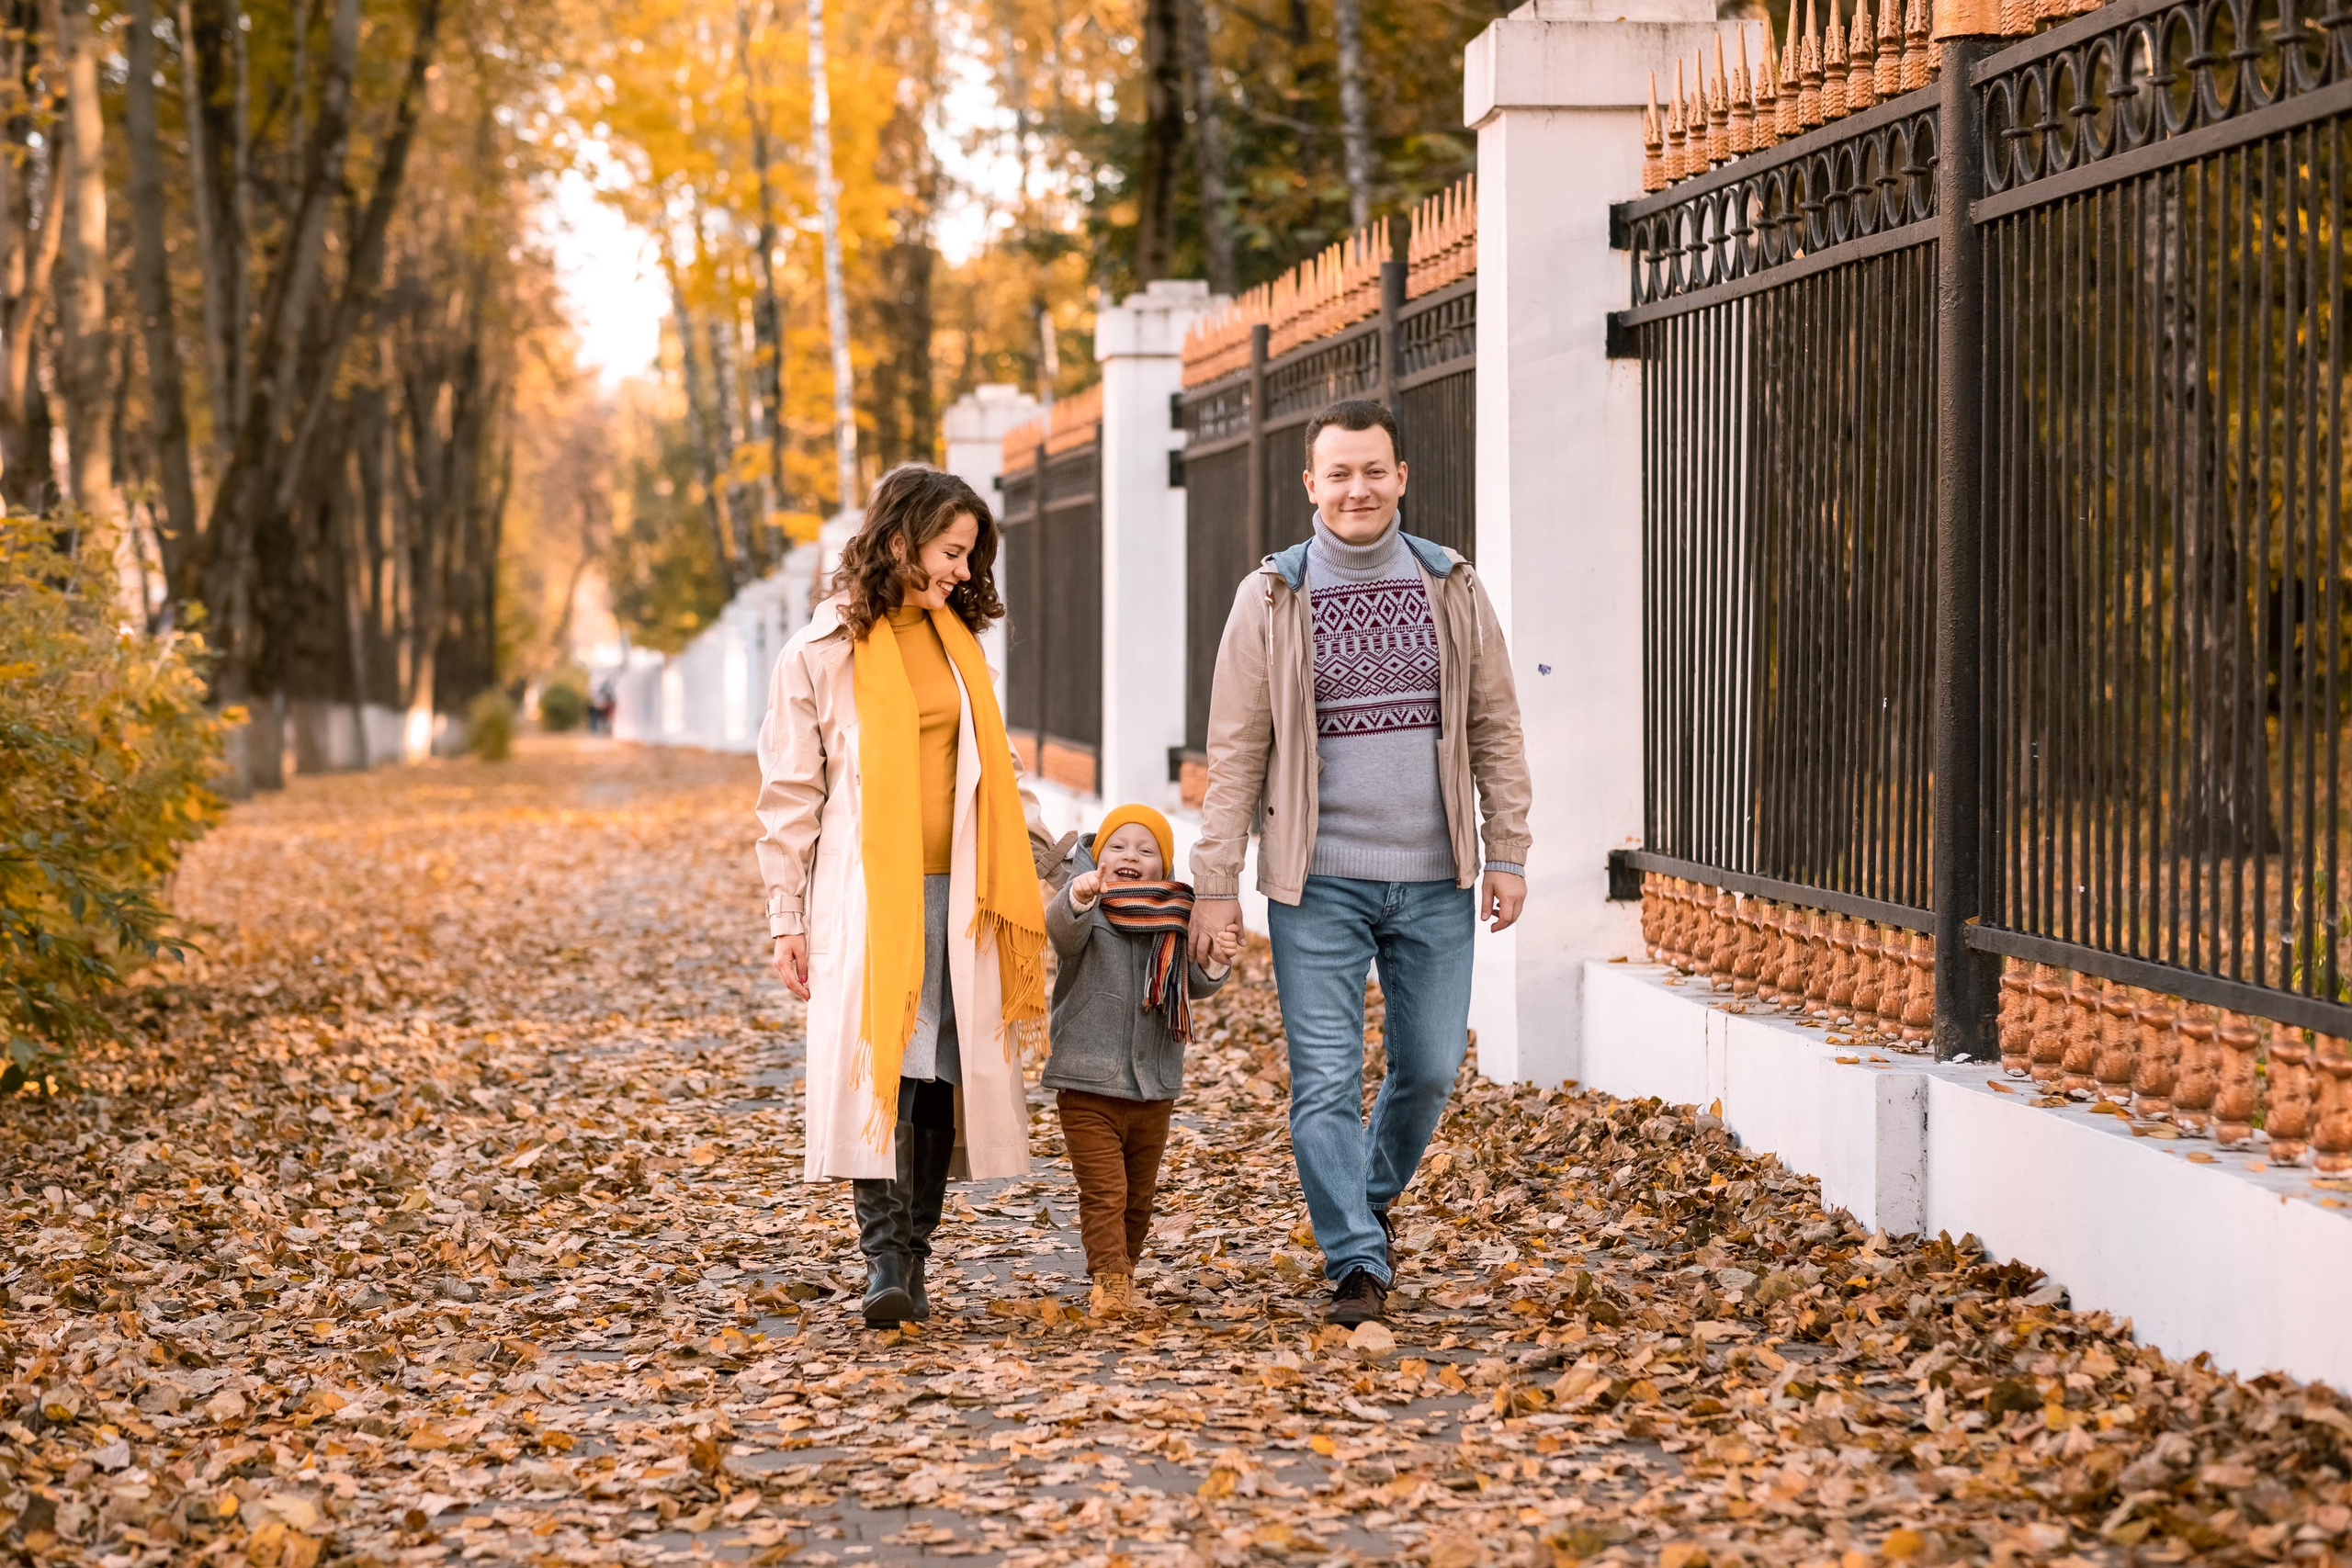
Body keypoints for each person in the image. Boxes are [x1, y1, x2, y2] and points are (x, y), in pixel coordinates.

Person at [1188, 399, 1534, 1327]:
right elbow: (1236, 755)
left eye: (1373, 471)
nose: (1356, 489)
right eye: (1337, 473)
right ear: (1311, 485)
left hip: (1435, 877)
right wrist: (1214, 885)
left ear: (1401, 478)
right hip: (1320, 882)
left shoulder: (1450, 584)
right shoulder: (1272, 596)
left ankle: (1364, 1200)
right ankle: (1353, 1260)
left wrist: (1508, 848)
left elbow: (1495, 723)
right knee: (1327, 1080)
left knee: (1425, 1070)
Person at [753, 464, 1057, 1329]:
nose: (964, 571)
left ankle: (915, 1250)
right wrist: (787, 917)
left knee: (939, 1073)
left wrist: (1039, 851)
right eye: (951, 551)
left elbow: (999, 766)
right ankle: (886, 1256)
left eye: (970, 555)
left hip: (961, 892)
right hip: (866, 900)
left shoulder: (959, 644)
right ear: (899, 541)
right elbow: (789, 796)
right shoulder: (819, 652)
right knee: (885, 1068)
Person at [1043, 805, 1242, 1318]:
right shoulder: (1088, 904)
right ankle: (1108, 1280)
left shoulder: (1175, 914)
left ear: (1164, 866)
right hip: (1088, 1081)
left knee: (1137, 1196)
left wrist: (1216, 955)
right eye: (1118, 846)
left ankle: (1123, 1272)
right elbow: (1063, 936)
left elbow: (1193, 984)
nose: (1130, 856)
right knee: (1105, 1192)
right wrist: (1077, 898)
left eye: (1145, 849)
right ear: (1098, 854)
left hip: (1154, 1084)